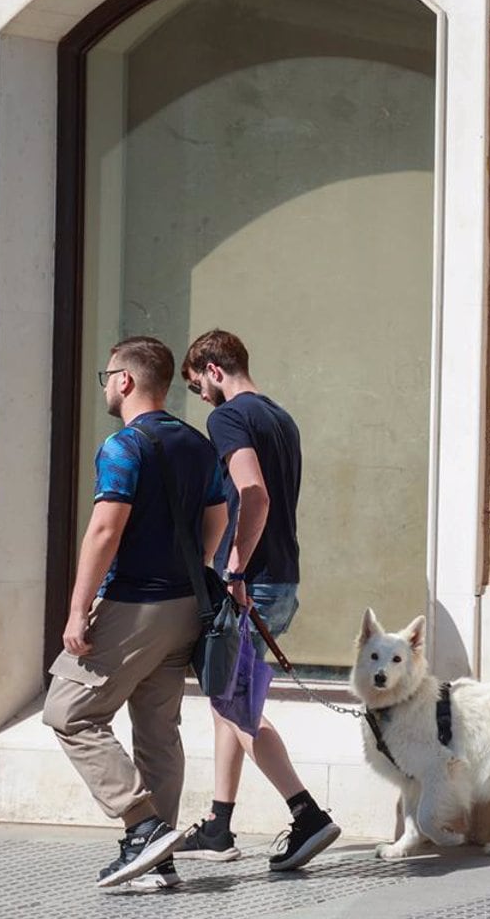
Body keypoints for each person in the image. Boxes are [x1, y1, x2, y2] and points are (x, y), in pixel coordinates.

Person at [45, 336, 227, 892]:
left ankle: (141, 825)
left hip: (134, 605)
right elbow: (218, 515)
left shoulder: (124, 445)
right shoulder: (197, 443)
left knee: (68, 711)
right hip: (185, 608)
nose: (105, 385)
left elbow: (105, 528)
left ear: (124, 380)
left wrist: (78, 609)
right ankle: (159, 859)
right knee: (156, 731)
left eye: (107, 376)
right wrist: (195, 563)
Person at [172, 328, 342, 871]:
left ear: (215, 370)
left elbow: (253, 492)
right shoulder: (280, 416)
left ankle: (307, 814)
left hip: (253, 581)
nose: (203, 399)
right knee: (230, 700)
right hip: (282, 577)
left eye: (200, 385)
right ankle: (220, 825)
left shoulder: (228, 417)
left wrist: (236, 566)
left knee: (238, 707)